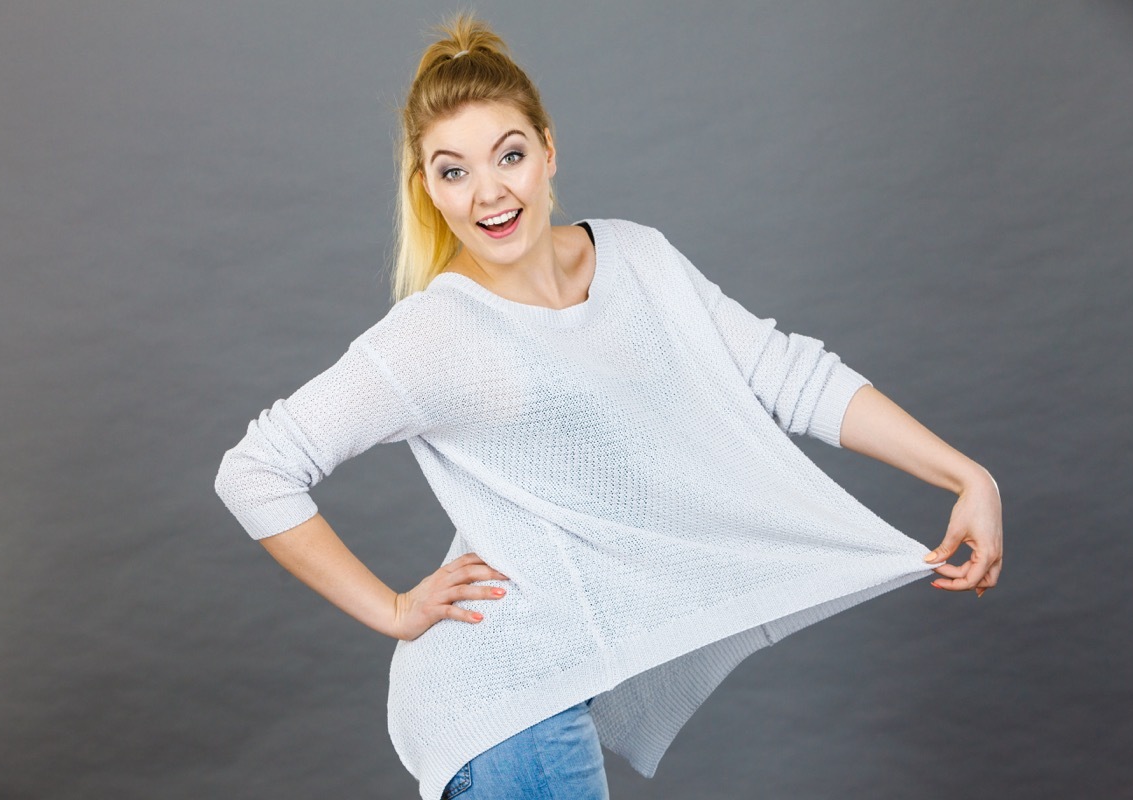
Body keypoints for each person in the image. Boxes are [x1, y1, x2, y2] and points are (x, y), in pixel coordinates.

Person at [213, 12, 1003, 800]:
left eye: (509, 156)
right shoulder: (437, 332)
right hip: (504, 702)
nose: (489, 192)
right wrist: (392, 609)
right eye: (453, 171)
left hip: (558, 683)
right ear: (429, 190)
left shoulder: (637, 257)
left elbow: (784, 373)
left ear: (549, 152)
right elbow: (256, 472)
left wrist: (966, 476)